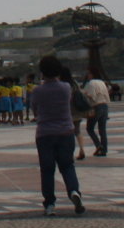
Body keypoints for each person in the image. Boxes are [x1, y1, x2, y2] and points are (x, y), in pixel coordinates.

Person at [29, 56, 86, 216]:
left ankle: (49, 204)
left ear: (42, 72)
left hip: (45, 134)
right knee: (67, 166)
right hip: (66, 132)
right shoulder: (66, 87)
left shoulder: (37, 91)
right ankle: (73, 191)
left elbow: (35, 110)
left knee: (47, 170)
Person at [83, 67, 110, 157]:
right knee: (102, 130)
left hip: (96, 106)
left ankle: (98, 146)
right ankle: (104, 149)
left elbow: (91, 96)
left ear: (92, 74)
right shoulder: (102, 82)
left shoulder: (91, 83)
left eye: (89, 73)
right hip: (105, 106)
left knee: (89, 128)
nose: (87, 75)